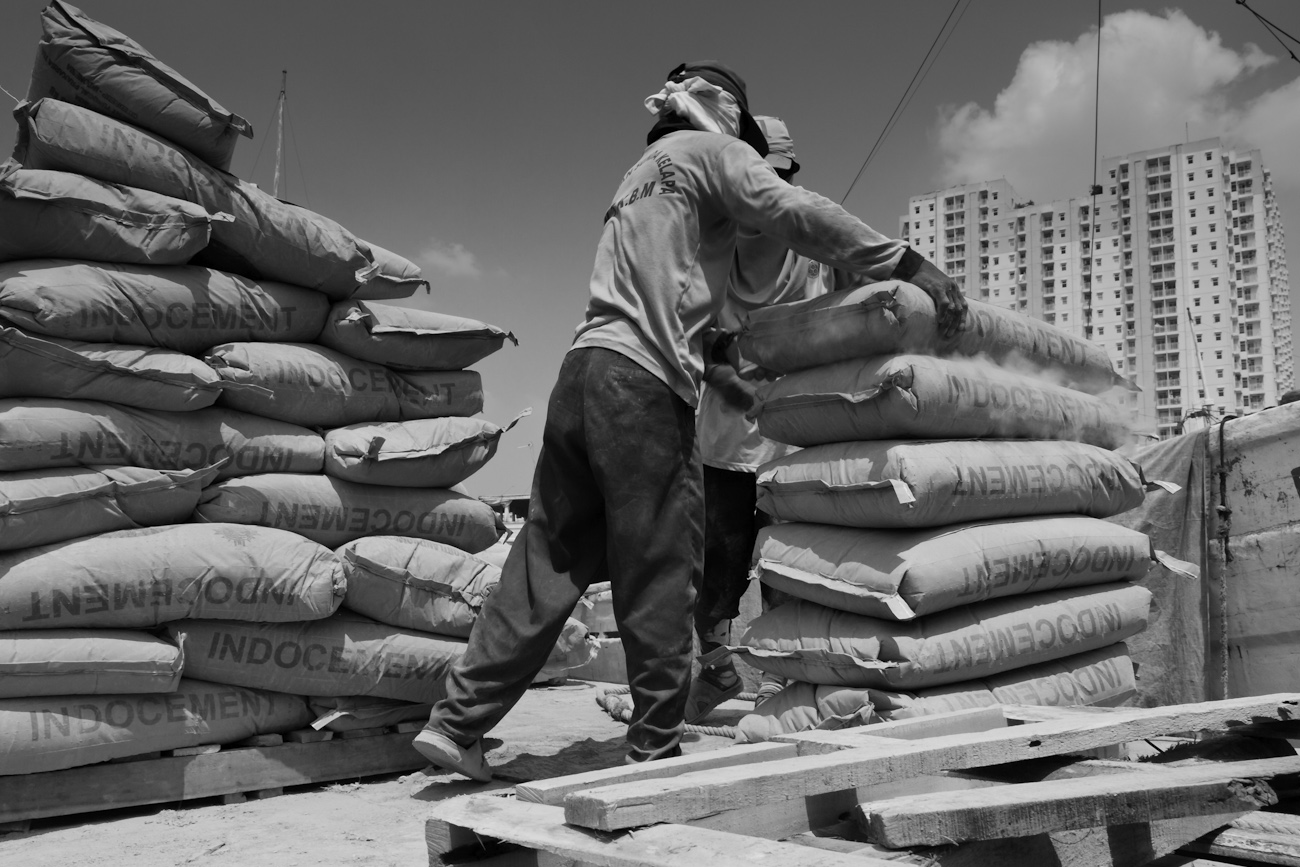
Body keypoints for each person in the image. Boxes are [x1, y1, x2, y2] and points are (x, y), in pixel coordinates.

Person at [413, 60, 964, 780]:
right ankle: (654, 744)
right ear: (729, 119)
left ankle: (456, 725)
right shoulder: (716, 154)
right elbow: (797, 212)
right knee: (662, 565)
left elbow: (670, 288)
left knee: (543, 562)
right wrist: (906, 263)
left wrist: (724, 346)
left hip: (580, 374)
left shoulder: (639, 173)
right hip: (642, 388)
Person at [687, 115, 860, 722]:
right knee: (783, 565)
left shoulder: (718, 225)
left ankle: (739, 675)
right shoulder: (808, 220)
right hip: (780, 436)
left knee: (731, 568)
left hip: (760, 436)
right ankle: (764, 681)